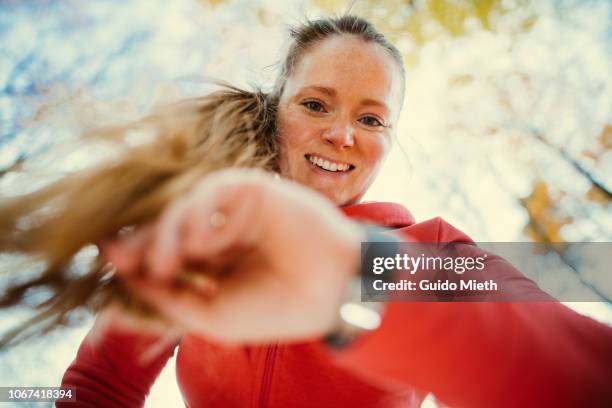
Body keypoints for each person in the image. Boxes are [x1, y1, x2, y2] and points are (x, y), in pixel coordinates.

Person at [2, 14, 609, 408]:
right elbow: (98, 389)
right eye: (316, 105)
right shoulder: (199, 240)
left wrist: (355, 273)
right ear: (276, 110)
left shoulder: (435, 251)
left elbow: (582, 378)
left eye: (371, 118)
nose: (343, 134)